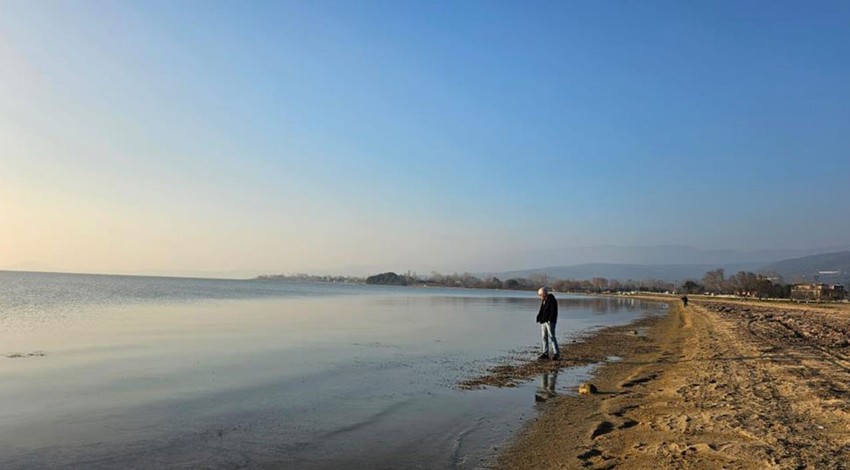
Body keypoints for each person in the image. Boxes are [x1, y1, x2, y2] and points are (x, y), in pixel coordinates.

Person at [536, 287, 560, 360]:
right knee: (544, 337)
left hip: (550, 322)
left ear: (544, 294)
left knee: (552, 337)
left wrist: (550, 320)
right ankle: (545, 353)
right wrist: (538, 317)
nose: (539, 297)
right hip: (543, 321)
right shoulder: (543, 301)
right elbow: (541, 310)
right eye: (539, 295)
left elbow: (554, 312)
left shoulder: (552, 300)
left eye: (540, 295)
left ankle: (556, 354)